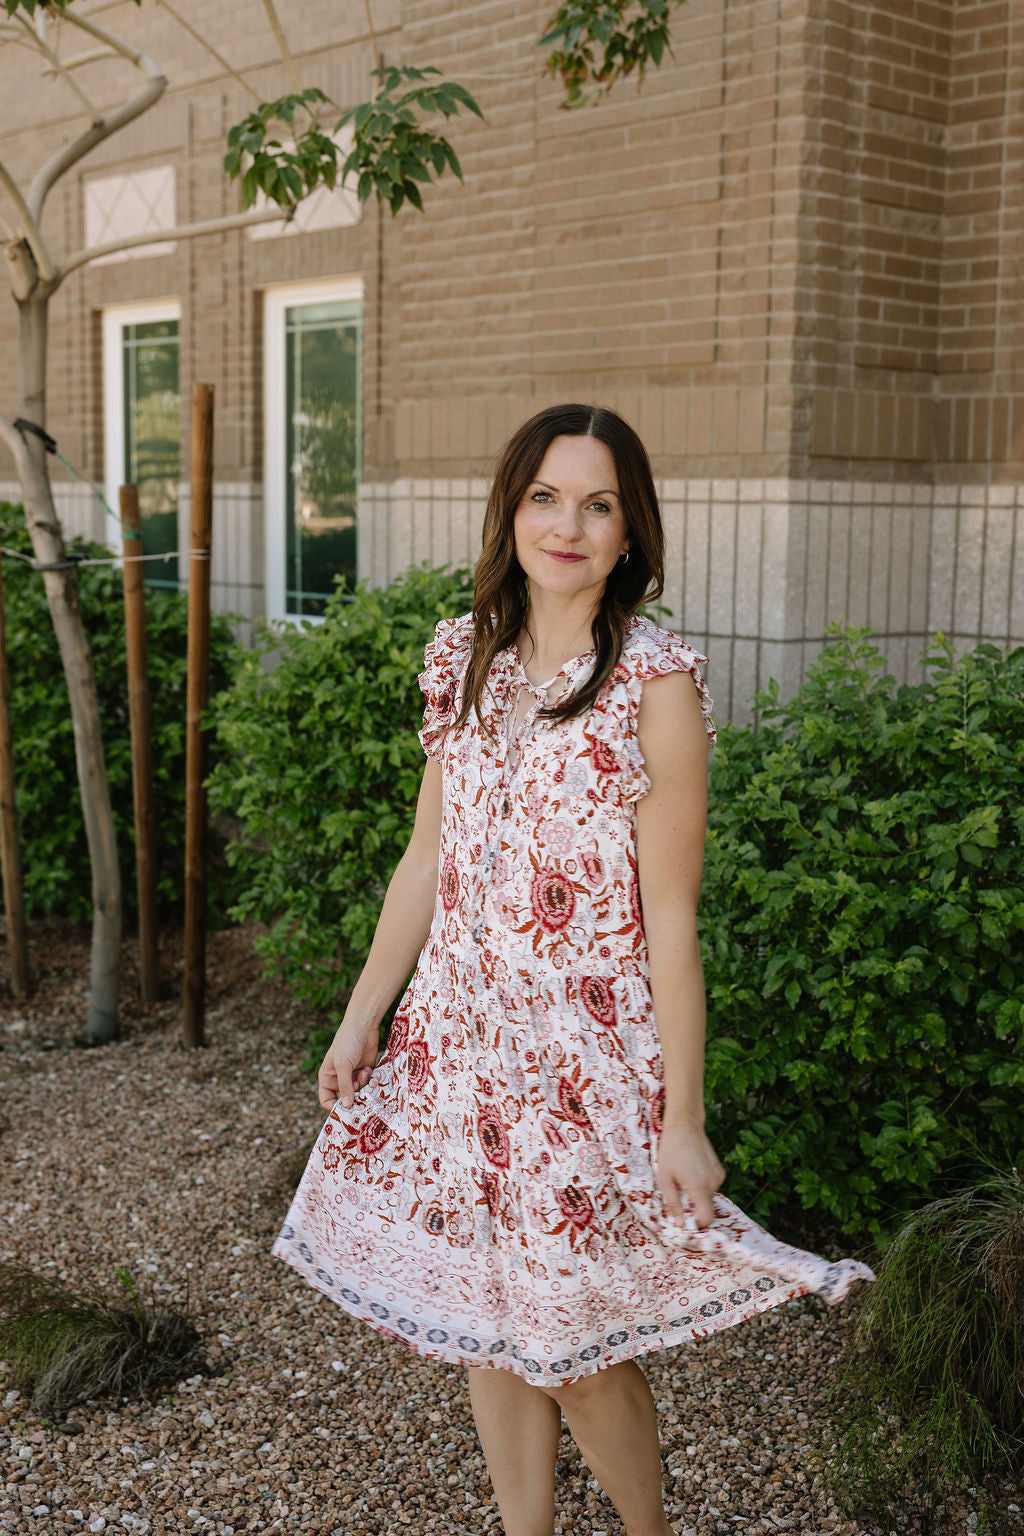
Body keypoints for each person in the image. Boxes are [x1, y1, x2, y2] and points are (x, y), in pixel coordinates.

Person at [273, 402, 874, 1536]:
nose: (568, 526)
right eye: (546, 498)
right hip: (457, 1052)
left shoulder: (655, 685)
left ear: (629, 531)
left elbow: (671, 918)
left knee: (577, 1351)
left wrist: (683, 1120)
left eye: (599, 506)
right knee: (489, 1324)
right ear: (511, 510)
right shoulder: (464, 656)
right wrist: (362, 1019)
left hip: (580, 1071)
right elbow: (427, 858)